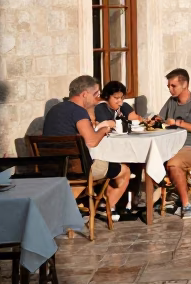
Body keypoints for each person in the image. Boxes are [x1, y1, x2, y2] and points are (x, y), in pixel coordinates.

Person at [43, 75, 131, 221]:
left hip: (52, 166)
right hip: (77, 169)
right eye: (96, 94)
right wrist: (104, 130)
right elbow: (91, 141)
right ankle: (103, 207)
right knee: (124, 171)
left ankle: (74, 207)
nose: (98, 98)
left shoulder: (54, 110)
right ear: (84, 94)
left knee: (93, 165)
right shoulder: (78, 111)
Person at [155, 68, 191, 219]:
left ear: (185, 84)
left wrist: (179, 123)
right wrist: (155, 120)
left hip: (189, 147)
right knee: (143, 157)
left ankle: (186, 206)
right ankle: (138, 203)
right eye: (169, 86)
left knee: (173, 164)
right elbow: (161, 118)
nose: (170, 89)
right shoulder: (171, 102)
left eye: (173, 86)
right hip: (169, 145)